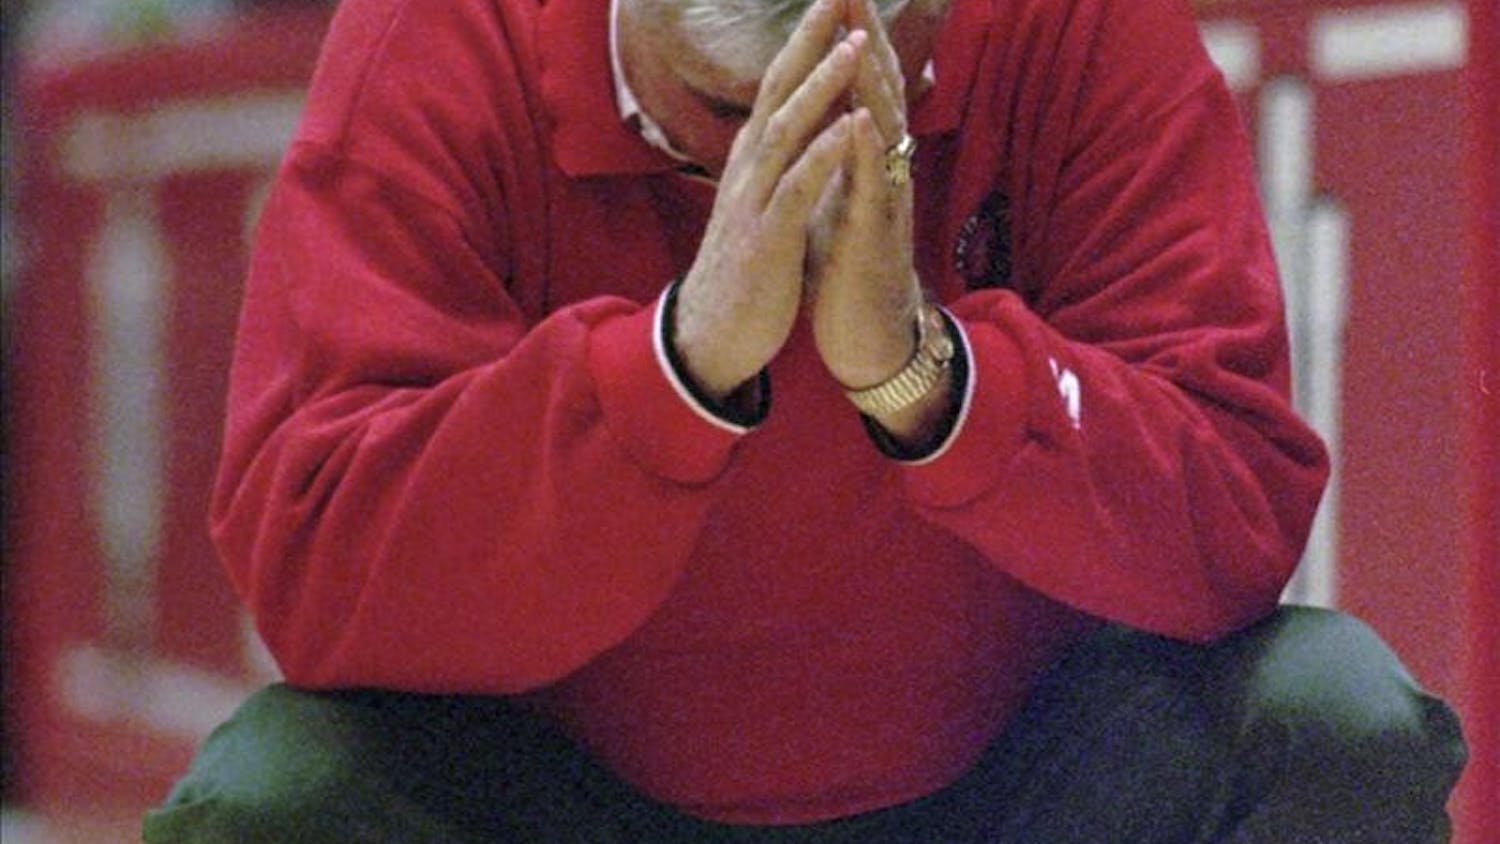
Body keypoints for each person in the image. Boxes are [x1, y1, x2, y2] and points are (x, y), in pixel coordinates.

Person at [143, 0, 1467, 840]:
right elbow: (312, 565)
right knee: (275, 798)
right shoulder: (438, 38)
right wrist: (674, 369)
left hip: (1011, 782)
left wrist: (930, 380)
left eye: (854, 97)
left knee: (1333, 718)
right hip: (568, 796)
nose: (778, 169)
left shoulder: (1077, 26)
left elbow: (1238, 509)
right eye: (721, 116)